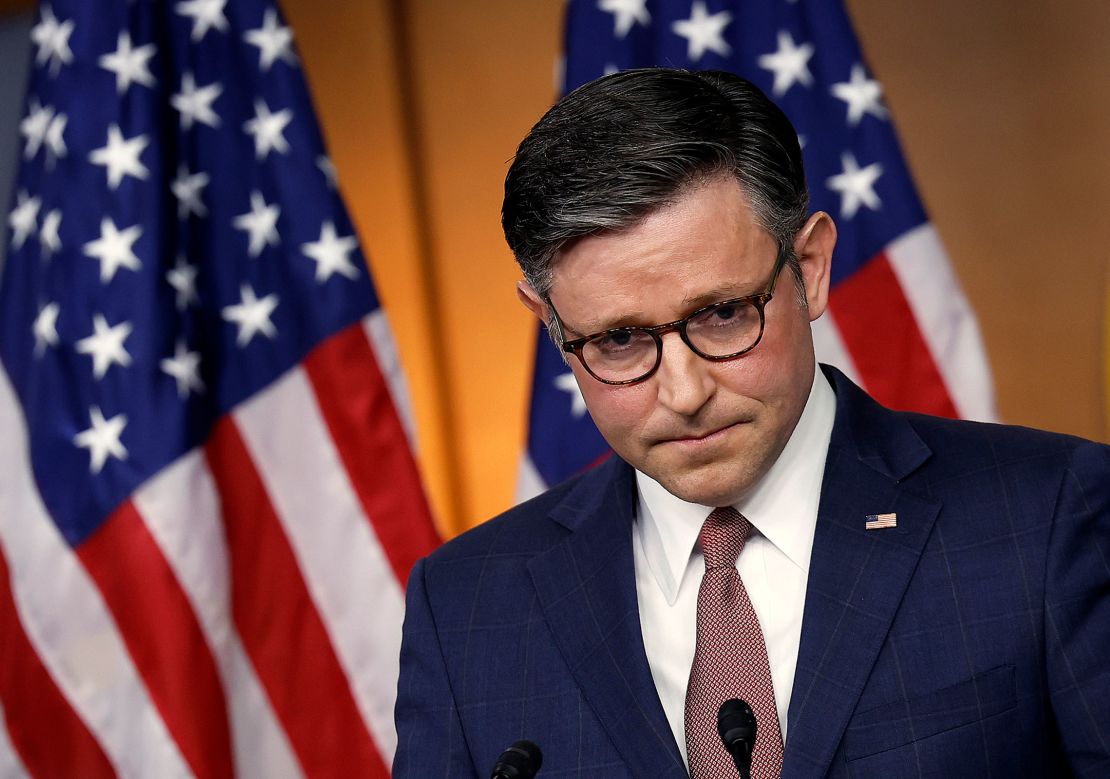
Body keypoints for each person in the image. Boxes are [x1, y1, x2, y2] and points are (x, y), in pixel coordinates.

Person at [392, 68, 1110, 778]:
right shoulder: (466, 605)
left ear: (811, 266)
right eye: (619, 340)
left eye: (722, 313)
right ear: (550, 322)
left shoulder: (1047, 518)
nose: (684, 390)